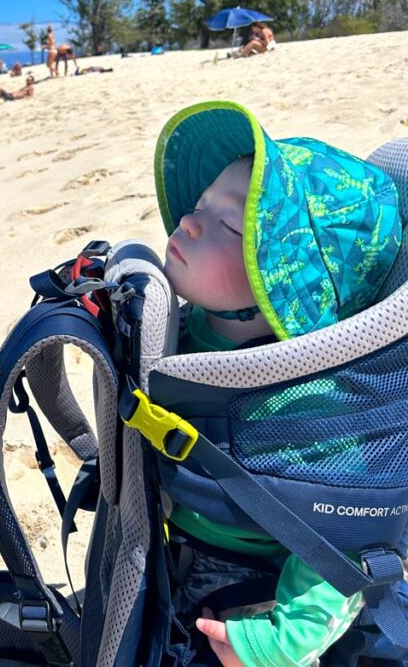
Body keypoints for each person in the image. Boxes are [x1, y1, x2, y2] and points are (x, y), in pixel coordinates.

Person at [156, 102, 403, 667]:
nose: (189, 223)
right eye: (199, 206)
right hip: (184, 539)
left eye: (229, 226)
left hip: (262, 583)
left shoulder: (312, 400)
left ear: (291, 281)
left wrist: (280, 641)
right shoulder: (186, 327)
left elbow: (348, 540)